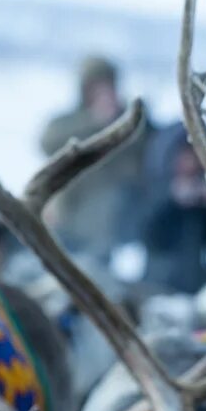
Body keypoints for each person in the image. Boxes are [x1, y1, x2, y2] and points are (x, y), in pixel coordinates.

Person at [39, 55, 150, 259]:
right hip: (70, 217)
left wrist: (129, 118)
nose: (103, 94)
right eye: (96, 87)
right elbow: (47, 142)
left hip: (114, 223)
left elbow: (153, 148)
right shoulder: (71, 122)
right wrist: (94, 121)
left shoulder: (131, 121)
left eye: (107, 86)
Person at [141, 122, 206, 294]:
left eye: (195, 157)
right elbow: (150, 238)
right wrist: (173, 202)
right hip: (159, 289)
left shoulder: (203, 196)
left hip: (199, 289)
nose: (190, 163)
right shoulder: (156, 191)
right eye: (186, 156)